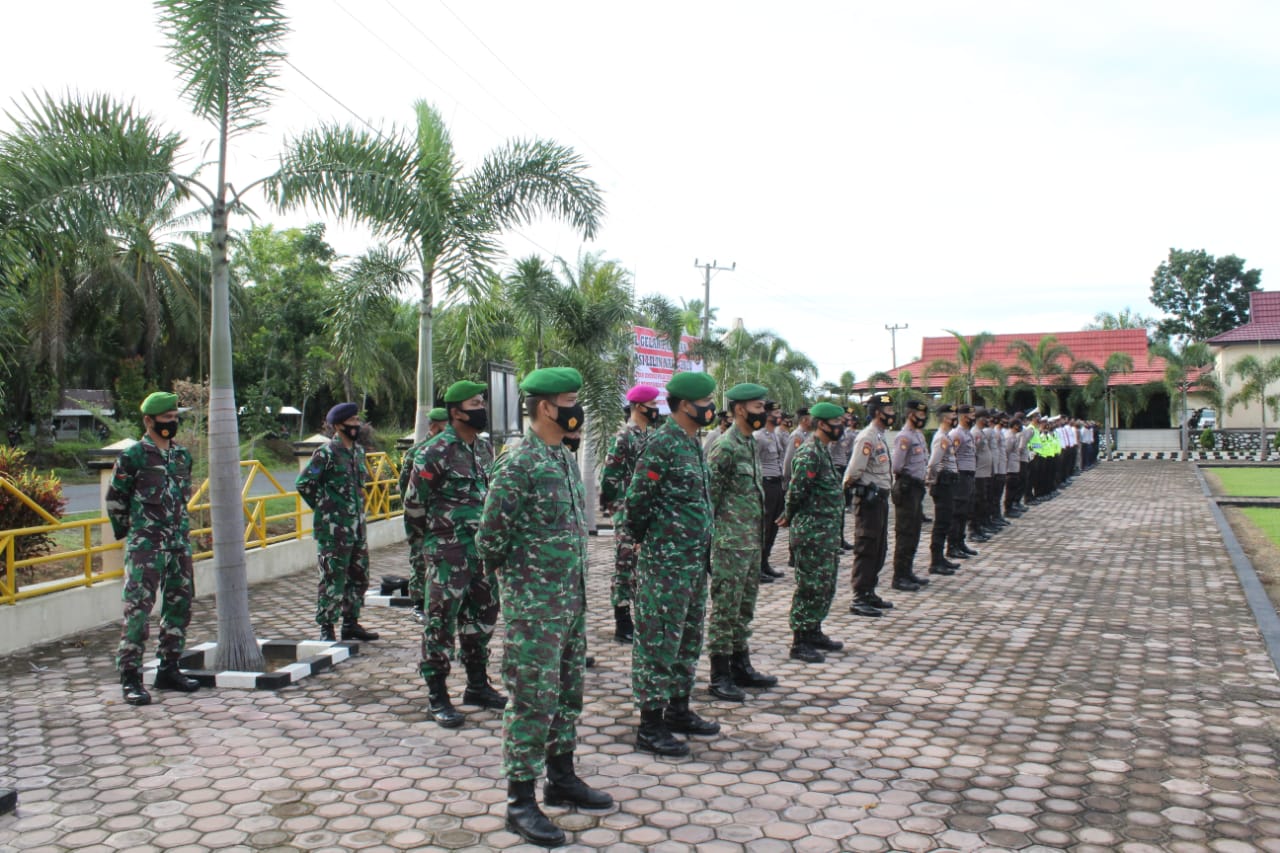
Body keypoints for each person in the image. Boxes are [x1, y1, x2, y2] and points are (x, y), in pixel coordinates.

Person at [476, 367, 611, 848]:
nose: (578, 408)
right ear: (548, 407)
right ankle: (519, 802)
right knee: (532, 700)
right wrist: (518, 588)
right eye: (571, 400)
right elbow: (490, 538)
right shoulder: (519, 464)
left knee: (567, 694)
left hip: (569, 602)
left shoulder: (560, 458)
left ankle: (561, 777)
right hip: (535, 609)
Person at [623, 370, 719, 758]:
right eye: (705, 402)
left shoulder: (693, 444)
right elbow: (636, 503)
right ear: (683, 405)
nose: (711, 408)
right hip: (666, 564)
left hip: (693, 562)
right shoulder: (662, 444)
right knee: (658, 640)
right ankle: (650, 724)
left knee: (688, 637)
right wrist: (656, 543)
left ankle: (678, 709)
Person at [405, 381, 504, 729]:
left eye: (481, 402)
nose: (481, 408)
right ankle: (437, 694)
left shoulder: (483, 449)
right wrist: (432, 545)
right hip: (448, 552)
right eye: (474, 403)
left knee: (483, 617)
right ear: (456, 412)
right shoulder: (433, 452)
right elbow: (414, 506)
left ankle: (477, 685)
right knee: (441, 622)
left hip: (481, 553)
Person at [107, 391, 200, 706]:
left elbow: (182, 498)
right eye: (167, 419)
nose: (173, 423)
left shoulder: (182, 456)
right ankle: (130, 677)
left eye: (175, 418)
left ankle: (169, 668)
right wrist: (134, 534)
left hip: (177, 544)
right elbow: (116, 500)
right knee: (138, 611)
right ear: (149, 421)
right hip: (146, 547)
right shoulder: (133, 456)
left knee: (180, 606)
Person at [705, 383, 777, 702]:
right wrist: (710, 544)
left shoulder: (750, 444)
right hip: (729, 544)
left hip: (749, 543)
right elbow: (709, 499)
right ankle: (719, 675)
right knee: (725, 609)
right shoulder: (725, 447)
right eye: (758, 407)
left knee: (744, 608)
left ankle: (740, 664)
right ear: (739, 410)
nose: (763, 413)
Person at [296, 403, 379, 643]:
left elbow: (359, 487)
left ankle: (351, 623)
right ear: (338, 425)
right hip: (333, 530)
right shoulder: (326, 453)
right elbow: (304, 484)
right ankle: (327, 627)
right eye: (352, 421)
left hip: (356, 528)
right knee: (333, 578)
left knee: (359, 577)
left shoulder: (358, 452)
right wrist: (325, 509)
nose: (357, 425)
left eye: (357, 420)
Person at [780, 401, 847, 663]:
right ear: (822, 425)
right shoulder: (809, 452)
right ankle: (800, 640)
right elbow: (797, 491)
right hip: (811, 532)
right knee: (810, 586)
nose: (840, 428)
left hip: (825, 532)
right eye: (836, 424)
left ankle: (814, 629)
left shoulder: (823, 451)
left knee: (825, 584)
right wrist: (788, 515)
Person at [600, 384, 661, 643]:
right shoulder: (624, 436)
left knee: (642, 566)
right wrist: (616, 509)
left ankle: (642, 616)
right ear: (639, 407)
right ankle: (622, 621)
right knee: (624, 565)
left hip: (646, 510)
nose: (656, 410)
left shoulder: (651, 435)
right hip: (626, 510)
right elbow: (609, 477)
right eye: (653, 405)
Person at [844, 394, 896, 617]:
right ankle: (859, 596)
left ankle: (869, 591)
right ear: (878, 413)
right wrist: (850, 491)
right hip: (868, 500)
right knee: (867, 547)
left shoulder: (880, 436)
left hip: (880, 499)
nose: (892, 414)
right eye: (889, 410)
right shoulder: (867, 437)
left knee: (879, 548)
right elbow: (854, 471)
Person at [400, 406, 451, 622]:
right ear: (433, 426)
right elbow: (405, 487)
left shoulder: (454, 449)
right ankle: (419, 604)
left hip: (446, 518)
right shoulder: (418, 452)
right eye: (445, 425)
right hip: (423, 517)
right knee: (420, 560)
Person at [889, 400, 931, 592]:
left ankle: (908, 571)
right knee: (905, 533)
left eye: (924, 415)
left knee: (914, 531)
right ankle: (899, 576)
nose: (922, 418)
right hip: (907, 487)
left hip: (917, 487)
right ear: (910, 415)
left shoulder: (918, 435)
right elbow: (897, 466)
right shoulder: (904, 437)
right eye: (919, 415)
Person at [925, 404, 961, 576]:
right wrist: (931, 482)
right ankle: (935, 561)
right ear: (945, 418)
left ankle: (940, 558)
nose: (955, 418)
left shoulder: (946, 436)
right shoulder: (941, 438)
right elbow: (933, 463)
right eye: (953, 415)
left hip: (948, 484)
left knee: (946, 521)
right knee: (941, 523)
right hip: (942, 484)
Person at [754, 404, 788, 583]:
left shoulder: (774, 435)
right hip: (765, 484)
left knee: (773, 526)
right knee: (764, 527)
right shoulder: (758, 436)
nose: (779, 415)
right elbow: (754, 462)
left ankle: (765, 562)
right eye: (775, 413)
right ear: (766, 415)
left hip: (777, 484)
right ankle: (757, 566)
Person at [947, 404, 980, 562]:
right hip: (960, 477)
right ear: (963, 417)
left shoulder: (968, 433)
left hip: (969, 476)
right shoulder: (956, 434)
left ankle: (960, 542)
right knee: (957, 512)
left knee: (965, 511)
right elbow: (951, 456)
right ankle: (952, 546)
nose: (973, 419)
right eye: (971, 416)